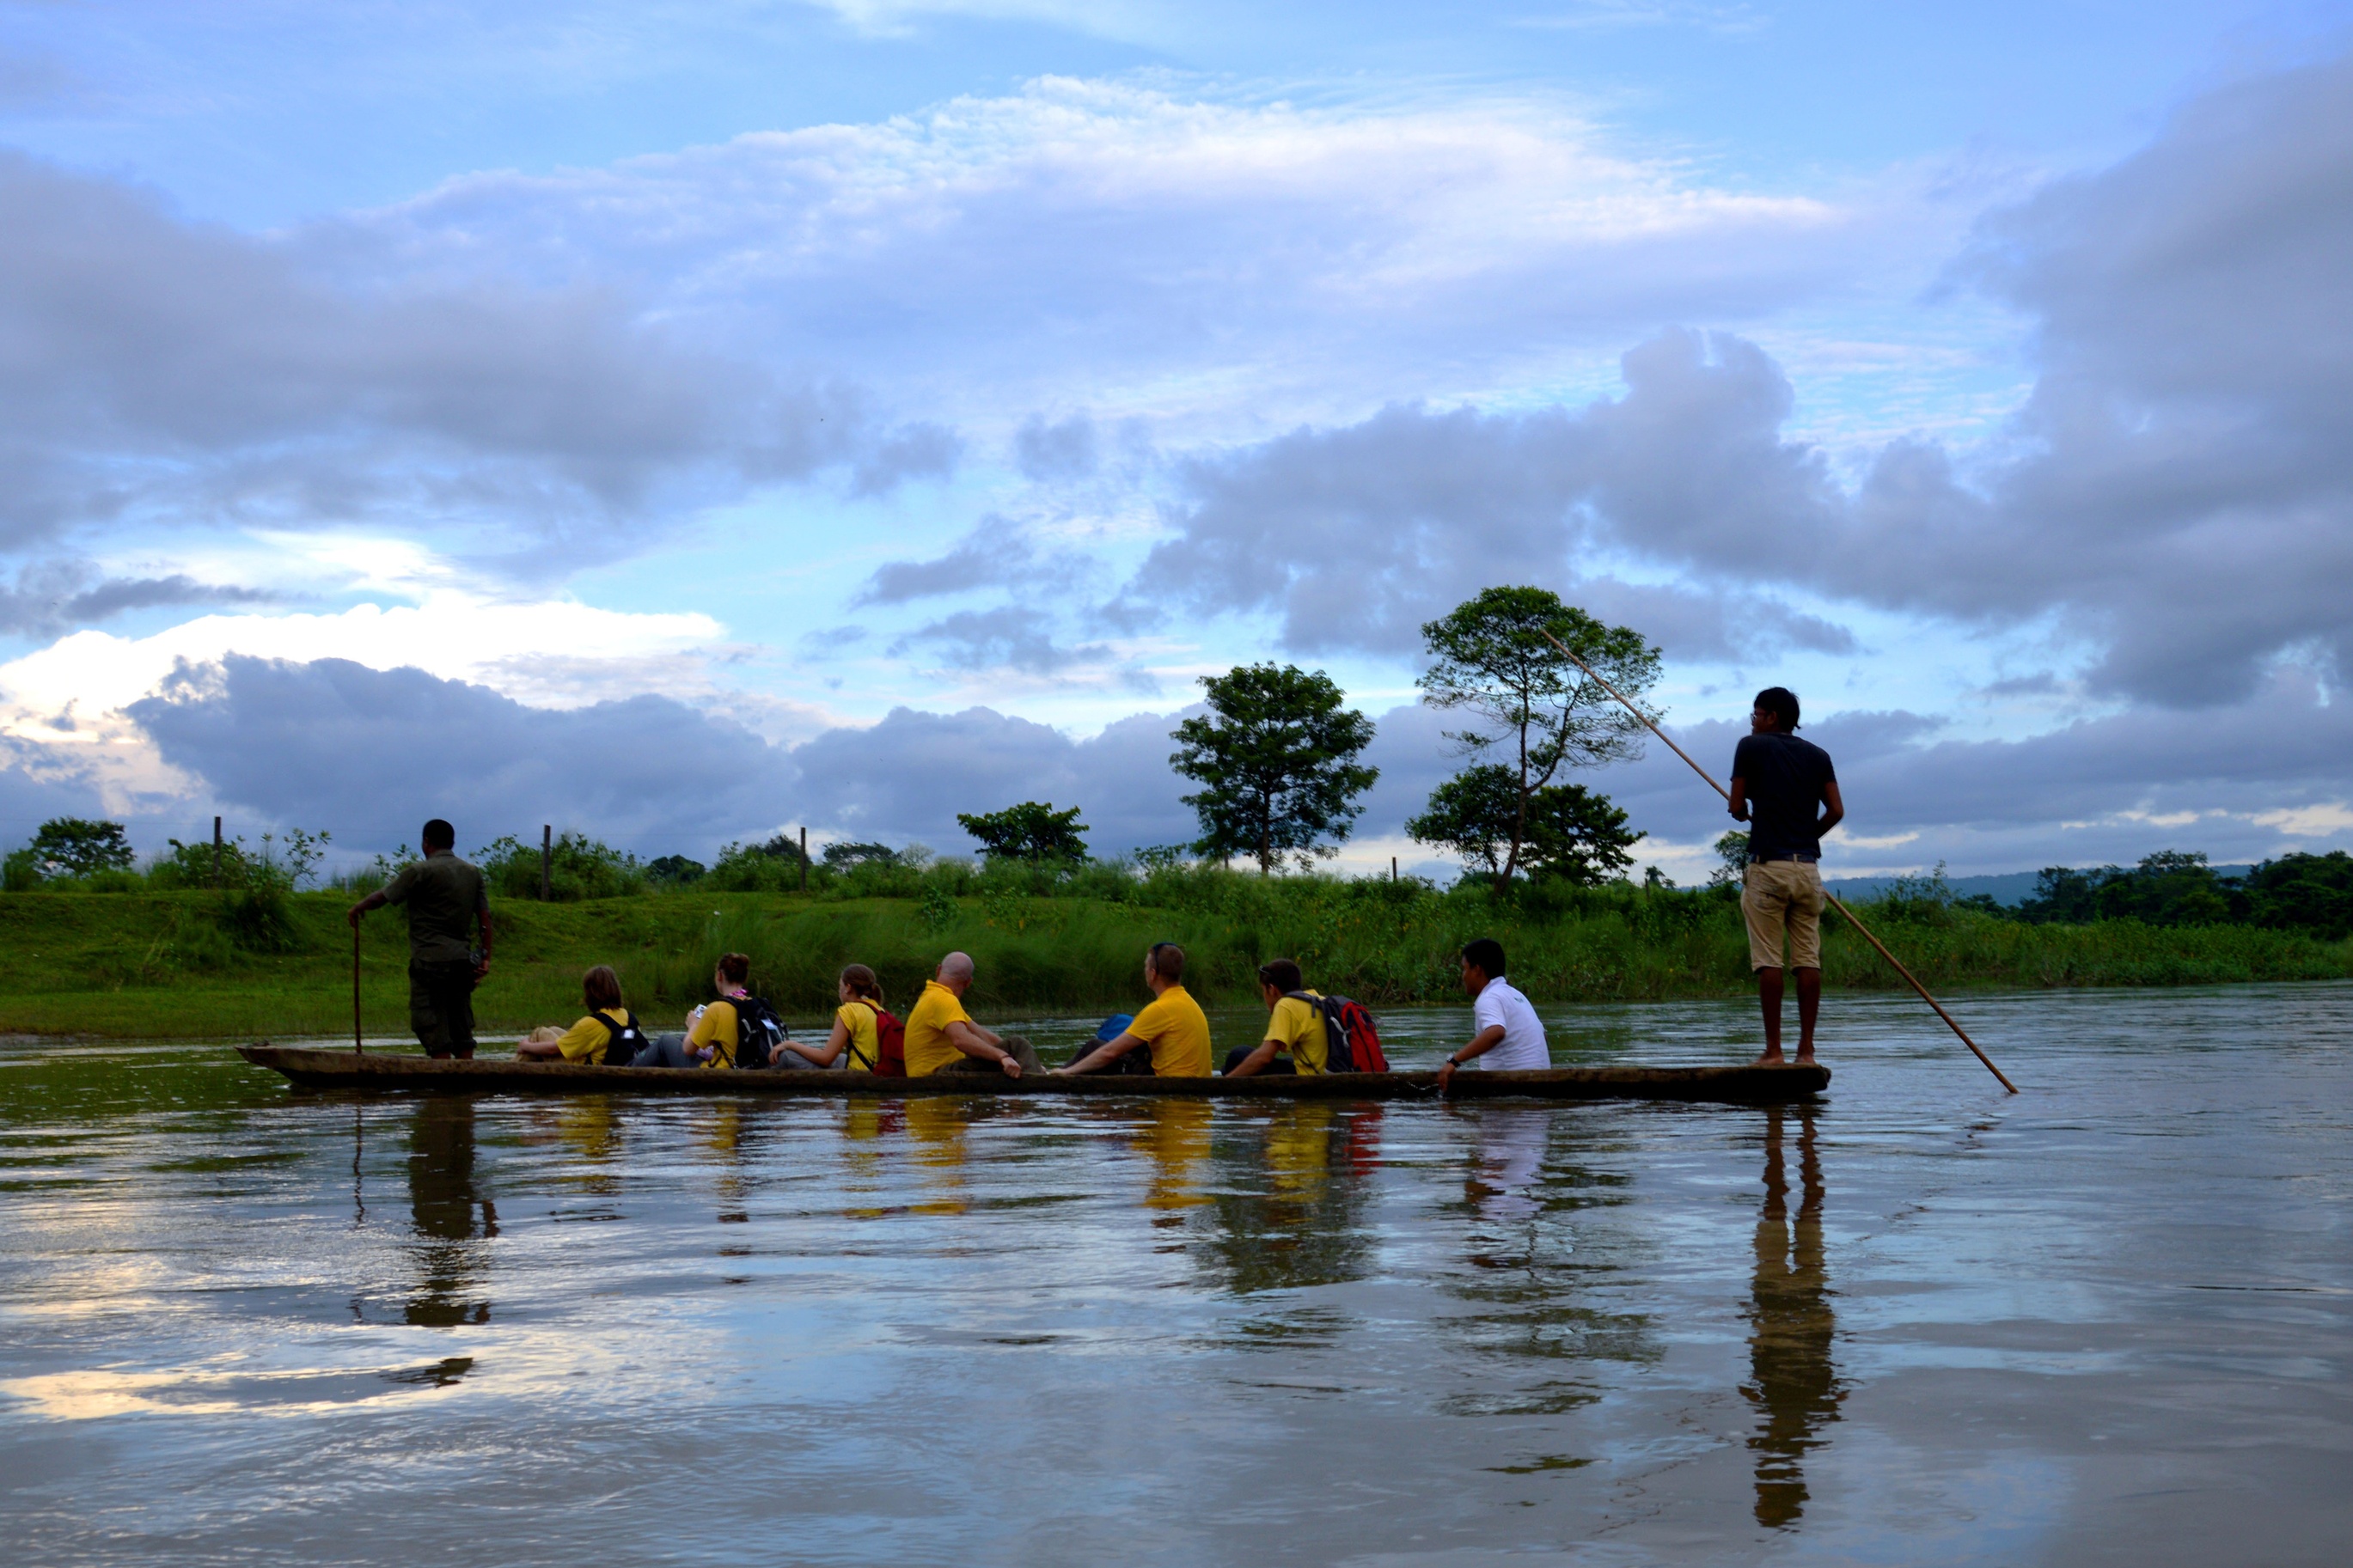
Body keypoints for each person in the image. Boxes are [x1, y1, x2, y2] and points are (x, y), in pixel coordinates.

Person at [1727, 686, 1845, 1066]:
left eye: (1756, 715)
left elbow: (1736, 805)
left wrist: (1743, 812)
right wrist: (1807, 837)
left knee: (1769, 961)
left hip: (1768, 868)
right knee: (1808, 959)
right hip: (1807, 870)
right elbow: (1836, 811)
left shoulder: (1750, 746)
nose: (1754, 721)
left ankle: (1774, 1052)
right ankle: (1806, 1053)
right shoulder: (1819, 755)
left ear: (1771, 717)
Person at [348, 819, 492, 1059]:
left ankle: (443, 1089)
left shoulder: (419, 872)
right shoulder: (472, 873)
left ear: (426, 842)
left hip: (429, 962)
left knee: (431, 1025)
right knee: (461, 1024)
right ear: (452, 842)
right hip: (462, 962)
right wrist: (485, 957)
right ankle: (466, 1085)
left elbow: (383, 897)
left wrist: (357, 908)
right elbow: (485, 918)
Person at [1055, 942, 1213, 1077]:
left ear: (1153, 974)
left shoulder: (1160, 1009)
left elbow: (1110, 1052)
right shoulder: (1191, 1003)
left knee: (1095, 1046)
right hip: (1190, 1081)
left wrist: (1069, 1072)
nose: (1144, 971)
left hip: (1170, 1085)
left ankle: (1055, 1075)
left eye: (1145, 966)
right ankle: (1059, 1072)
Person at [902, 952, 1043, 1078]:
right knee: (1019, 1044)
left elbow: (985, 1036)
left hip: (933, 1072)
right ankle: (1037, 1087)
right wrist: (1002, 1055)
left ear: (938, 970)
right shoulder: (944, 1000)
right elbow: (961, 1040)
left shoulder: (932, 996)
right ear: (969, 982)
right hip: (935, 1075)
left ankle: (1036, 1074)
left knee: (1016, 1048)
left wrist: (1023, 1060)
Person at [1435, 938, 1550, 1090]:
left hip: (1514, 1089)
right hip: (1541, 1081)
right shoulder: (1517, 996)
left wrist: (1453, 1062)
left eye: (1465, 969)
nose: (1463, 976)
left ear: (1477, 970)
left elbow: (1496, 1032)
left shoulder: (1489, 997)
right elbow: (1543, 1036)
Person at [516, 965, 644, 1065]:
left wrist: (526, 1046)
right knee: (553, 1030)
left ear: (591, 994)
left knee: (540, 1033)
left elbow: (552, 1050)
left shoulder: (591, 1024)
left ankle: (507, 1072)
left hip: (586, 1067)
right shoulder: (630, 1018)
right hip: (610, 1059)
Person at [1223, 957, 1324, 1077]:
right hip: (1325, 1070)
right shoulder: (1318, 999)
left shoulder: (1286, 1004)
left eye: (1264, 991)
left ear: (1272, 989)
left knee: (1238, 1055)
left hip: (1310, 1076)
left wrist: (1227, 1080)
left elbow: (1264, 1057)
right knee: (1288, 1060)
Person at [774, 963, 884, 1071]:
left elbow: (825, 1058)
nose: (839, 991)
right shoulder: (878, 1009)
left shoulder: (849, 1011)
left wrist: (790, 1044)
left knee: (787, 1056)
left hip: (857, 1073)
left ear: (848, 988)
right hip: (872, 1068)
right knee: (840, 1057)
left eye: (840, 986)